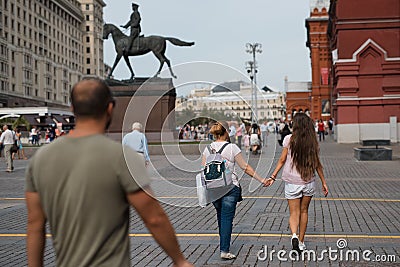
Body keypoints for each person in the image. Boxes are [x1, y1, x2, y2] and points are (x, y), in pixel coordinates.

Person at [25, 78, 193, 267]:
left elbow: (35, 225)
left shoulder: (41, 158)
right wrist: (179, 260)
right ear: (110, 108)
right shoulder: (121, 158)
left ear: (72, 108)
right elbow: (154, 218)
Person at [201, 121, 269, 260]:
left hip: (214, 188)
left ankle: (223, 245)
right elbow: (245, 167)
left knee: (220, 217)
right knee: (227, 218)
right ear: (226, 132)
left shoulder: (207, 149)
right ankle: (224, 250)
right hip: (230, 187)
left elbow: (203, 170)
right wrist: (261, 180)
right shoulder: (232, 147)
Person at [265, 113, 328, 252]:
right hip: (308, 181)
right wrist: (324, 182)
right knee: (304, 211)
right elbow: (317, 164)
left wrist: (273, 176)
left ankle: (293, 235)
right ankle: (301, 241)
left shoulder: (289, 139)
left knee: (294, 212)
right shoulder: (313, 141)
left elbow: (282, 160)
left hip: (292, 182)